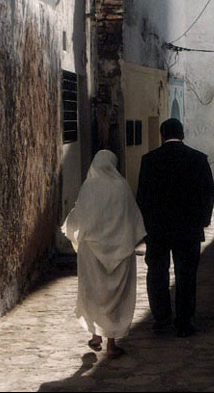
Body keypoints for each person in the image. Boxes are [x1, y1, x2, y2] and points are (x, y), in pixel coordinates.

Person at [62, 149, 146, 357]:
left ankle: (95, 335)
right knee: (117, 296)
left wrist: (74, 232)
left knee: (92, 293)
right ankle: (111, 343)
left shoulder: (89, 187)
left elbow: (78, 217)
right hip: (120, 251)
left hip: (91, 252)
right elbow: (132, 217)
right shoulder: (122, 187)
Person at [137, 118, 214, 337]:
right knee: (186, 274)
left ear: (162, 135)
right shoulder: (198, 160)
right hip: (188, 229)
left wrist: (148, 224)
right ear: (183, 134)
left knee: (157, 273)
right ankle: (184, 321)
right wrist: (203, 221)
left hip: (158, 230)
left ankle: (161, 319)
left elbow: (142, 196)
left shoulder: (149, 161)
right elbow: (207, 193)